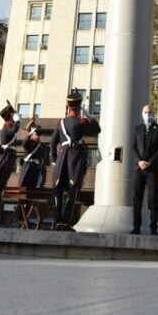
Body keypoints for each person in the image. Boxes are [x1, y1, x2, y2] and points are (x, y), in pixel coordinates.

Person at [49, 89, 101, 230]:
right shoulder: (81, 121)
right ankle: (65, 222)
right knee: (72, 191)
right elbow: (98, 129)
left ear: (67, 107)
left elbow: (52, 143)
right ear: (78, 108)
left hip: (61, 160)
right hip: (75, 159)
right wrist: (88, 114)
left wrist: (54, 160)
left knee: (58, 190)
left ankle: (57, 222)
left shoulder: (60, 123)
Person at [131, 103, 158, 235]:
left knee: (152, 198)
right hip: (139, 169)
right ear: (142, 114)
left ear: (153, 114)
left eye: (150, 112)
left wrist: (150, 162)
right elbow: (133, 147)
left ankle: (153, 227)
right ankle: (136, 227)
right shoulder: (137, 129)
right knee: (137, 198)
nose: (148, 114)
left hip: (153, 169)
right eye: (146, 112)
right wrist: (139, 161)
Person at [0, 101, 21, 227]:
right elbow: (16, 128)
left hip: (8, 157)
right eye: (12, 116)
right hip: (6, 158)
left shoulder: (8, 128)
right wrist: (18, 119)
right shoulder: (7, 128)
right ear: (9, 117)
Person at [20, 122, 46, 189]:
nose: (38, 135)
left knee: (33, 185)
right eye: (36, 133)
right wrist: (30, 134)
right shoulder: (28, 141)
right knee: (24, 184)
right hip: (28, 165)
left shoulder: (40, 145)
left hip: (35, 167)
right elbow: (24, 143)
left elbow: (41, 157)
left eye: (38, 134)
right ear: (32, 133)